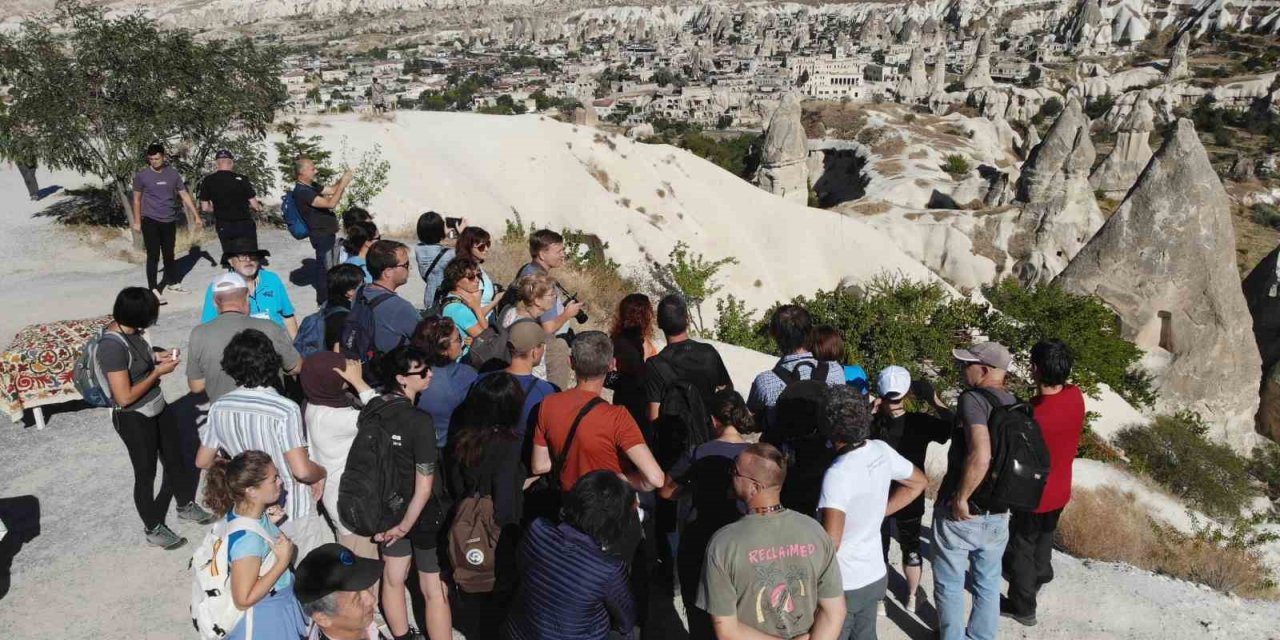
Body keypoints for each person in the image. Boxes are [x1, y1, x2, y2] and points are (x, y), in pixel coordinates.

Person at [195, 330, 331, 562]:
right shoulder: (284, 409)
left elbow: (203, 461)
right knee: (309, 579)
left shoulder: (220, 406)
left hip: (251, 508)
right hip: (291, 509)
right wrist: (321, 472)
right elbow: (301, 470)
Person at [100, 287, 212, 549]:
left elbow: (137, 357)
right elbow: (124, 396)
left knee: (175, 459)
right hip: (133, 417)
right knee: (146, 473)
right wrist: (157, 372)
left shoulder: (134, 332)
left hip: (157, 406)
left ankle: (185, 505)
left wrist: (156, 356)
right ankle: (152, 528)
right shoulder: (110, 347)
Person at [697, 443, 846, 640]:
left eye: (735, 471)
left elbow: (727, 632)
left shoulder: (723, 544)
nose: (730, 475)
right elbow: (834, 612)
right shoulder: (814, 531)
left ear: (754, 487)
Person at [819, 385, 928, 640]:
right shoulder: (879, 449)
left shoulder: (838, 473)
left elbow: (831, 542)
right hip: (874, 573)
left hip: (845, 581)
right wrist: (880, 512)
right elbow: (919, 482)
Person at [364, 346, 451, 640]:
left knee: (393, 577)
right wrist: (405, 526)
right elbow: (424, 486)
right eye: (423, 371)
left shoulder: (372, 412)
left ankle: (402, 636)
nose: (430, 374)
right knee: (432, 587)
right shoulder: (420, 421)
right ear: (402, 379)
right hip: (419, 513)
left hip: (387, 507)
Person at [933, 341, 1017, 640]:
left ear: (983, 369)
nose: (961, 368)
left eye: (966, 364)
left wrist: (961, 497)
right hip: (999, 509)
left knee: (950, 582)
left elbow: (981, 454)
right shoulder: (1014, 402)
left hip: (966, 510)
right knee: (988, 582)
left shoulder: (973, 399)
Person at [1001, 339, 1085, 627]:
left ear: (1035, 369)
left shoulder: (1033, 416)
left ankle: (1022, 605)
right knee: (1046, 532)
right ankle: (1042, 571)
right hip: (1061, 487)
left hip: (1034, 492)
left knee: (1023, 543)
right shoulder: (1076, 396)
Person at [657, 389, 754, 640]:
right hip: (742, 541)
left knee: (698, 610)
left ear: (713, 420)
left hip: (700, 538)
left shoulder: (699, 452)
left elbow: (666, 491)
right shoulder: (757, 455)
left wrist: (690, 490)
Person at [503, 470, 640, 640]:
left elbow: (522, 566)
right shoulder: (608, 568)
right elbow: (626, 620)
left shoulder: (537, 529)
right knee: (630, 633)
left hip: (520, 632)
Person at [531, 331, 664, 494]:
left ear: (570, 362)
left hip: (570, 504)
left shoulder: (548, 404)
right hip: (609, 507)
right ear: (612, 365)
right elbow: (655, 478)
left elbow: (539, 465)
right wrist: (621, 479)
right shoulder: (618, 417)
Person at [448, 373, 528, 637]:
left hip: (467, 519)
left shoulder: (463, 436)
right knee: (497, 604)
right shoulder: (509, 444)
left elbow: (456, 483)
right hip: (496, 533)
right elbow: (505, 499)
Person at [870, 365, 952, 612]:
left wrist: (870, 408)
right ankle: (912, 596)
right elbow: (952, 425)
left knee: (878, 548)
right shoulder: (920, 422)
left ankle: (879, 600)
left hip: (878, 495)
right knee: (911, 546)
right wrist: (934, 399)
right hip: (911, 493)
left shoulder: (872, 424)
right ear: (906, 394)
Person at [203, 450, 308, 639]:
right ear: (251, 491)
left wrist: (268, 525)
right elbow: (243, 600)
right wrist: (282, 562)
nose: (280, 482)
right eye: (273, 479)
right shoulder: (249, 542)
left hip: (276, 604)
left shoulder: (244, 512)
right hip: (269, 617)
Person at [301, 353, 380, 560]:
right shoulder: (335, 417)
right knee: (363, 571)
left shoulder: (313, 404)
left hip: (337, 499)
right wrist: (359, 381)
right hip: (352, 504)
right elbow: (385, 415)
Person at [188, 273, 302, 403]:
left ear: (214, 302)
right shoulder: (270, 327)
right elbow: (296, 367)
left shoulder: (198, 334)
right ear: (247, 296)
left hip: (224, 414)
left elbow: (196, 386)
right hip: (270, 411)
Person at [645, 294, 734, 451]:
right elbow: (727, 392)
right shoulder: (709, 352)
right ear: (687, 320)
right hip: (709, 438)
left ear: (659, 323)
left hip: (676, 446)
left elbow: (655, 417)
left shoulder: (655, 365)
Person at [748, 305, 845, 434]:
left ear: (776, 337)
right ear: (810, 331)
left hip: (781, 451)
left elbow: (751, 416)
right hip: (823, 449)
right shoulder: (835, 370)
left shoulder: (765, 381)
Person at [516, 230, 585, 389]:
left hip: (527, 340)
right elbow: (548, 327)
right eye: (559, 251)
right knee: (554, 392)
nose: (563, 255)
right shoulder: (542, 281)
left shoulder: (527, 269)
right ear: (542, 254)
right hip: (546, 346)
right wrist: (568, 313)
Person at [132, 143, 201, 304]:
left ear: (164, 156)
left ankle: (172, 283)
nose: (154, 162)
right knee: (153, 255)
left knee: (169, 253)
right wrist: (136, 221)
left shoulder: (173, 174)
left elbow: (183, 194)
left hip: (169, 219)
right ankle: (153, 289)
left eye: (157, 158)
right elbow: (136, 199)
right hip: (150, 220)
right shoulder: (142, 176)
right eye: (151, 159)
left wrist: (196, 215)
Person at [200, 237, 300, 338]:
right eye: (242, 256)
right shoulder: (219, 287)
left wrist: (296, 348)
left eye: (253, 255)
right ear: (230, 261)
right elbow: (208, 328)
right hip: (243, 348)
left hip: (277, 344)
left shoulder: (272, 279)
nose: (248, 260)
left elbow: (288, 316)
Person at [479, 320, 558, 437]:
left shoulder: (482, 380)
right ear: (535, 352)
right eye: (542, 346)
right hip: (522, 453)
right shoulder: (548, 392)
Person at [293, 158, 354, 304]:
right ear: (302, 172)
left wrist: (343, 178)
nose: (316, 171)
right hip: (320, 234)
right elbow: (330, 203)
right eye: (312, 169)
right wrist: (344, 185)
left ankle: (329, 295)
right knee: (324, 268)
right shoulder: (302, 191)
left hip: (326, 232)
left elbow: (332, 190)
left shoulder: (310, 186)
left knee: (329, 264)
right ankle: (324, 299)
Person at [411, 316, 479, 448]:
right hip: (446, 449)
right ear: (443, 350)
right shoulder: (465, 375)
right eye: (458, 339)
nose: (462, 341)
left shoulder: (408, 373)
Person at [295, 543, 384, 640]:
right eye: (357, 599)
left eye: (366, 586)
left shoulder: (361, 625)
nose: (371, 599)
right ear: (323, 619)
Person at [355, 240, 421, 355]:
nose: (410, 268)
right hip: (394, 369)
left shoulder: (360, 291)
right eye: (405, 265)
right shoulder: (399, 307)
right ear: (388, 272)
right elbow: (428, 339)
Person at [608, 293, 658, 429]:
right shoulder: (629, 343)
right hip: (634, 403)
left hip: (624, 399)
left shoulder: (619, 338)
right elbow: (636, 376)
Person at [197, 149, 262, 252]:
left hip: (223, 223)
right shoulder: (242, 179)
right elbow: (255, 205)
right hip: (244, 222)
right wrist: (257, 208)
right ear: (231, 163)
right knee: (249, 254)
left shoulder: (208, 180)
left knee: (230, 254)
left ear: (217, 164)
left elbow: (205, 207)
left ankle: (232, 267)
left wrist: (217, 209)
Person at [496, 273, 557, 380]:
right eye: (551, 295)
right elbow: (537, 370)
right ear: (537, 300)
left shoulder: (510, 310)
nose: (554, 297)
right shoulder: (531, 329)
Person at [439, 257, 490, 359]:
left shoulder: (450, 297)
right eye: (471, 277)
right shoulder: (459, 309)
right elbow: (489, 340)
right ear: (456, 280)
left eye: (478, 275)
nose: (477, 280)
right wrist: (477, 308)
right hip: (465, 363)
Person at [454, 225, 501, 317]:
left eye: (488, 244)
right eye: (481, 247)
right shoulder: (467, 274)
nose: (486, 249)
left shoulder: (478, 269)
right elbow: (473, 314)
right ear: (468, 247)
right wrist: (496, 300)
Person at [321, 264, 367, 354]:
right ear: (349, 291)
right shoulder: (345, 318)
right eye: (363, 283)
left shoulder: (328, 304)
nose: (366, 286)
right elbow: (340, 350)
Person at [414, 212, 454, 310]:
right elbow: (467, 251)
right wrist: (460, 233)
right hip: (444, 300)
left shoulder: (418, 250)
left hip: (429, 297)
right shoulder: (448, 254)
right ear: (440, 231)